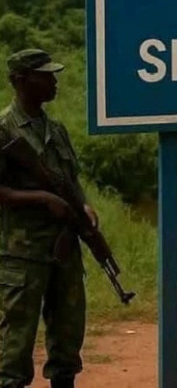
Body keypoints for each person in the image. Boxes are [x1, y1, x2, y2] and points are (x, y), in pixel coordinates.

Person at [0, 49, 99, 388]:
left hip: (65, 246)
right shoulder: (4, 130)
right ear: (20, 80)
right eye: (45, 76)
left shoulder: (55, 130)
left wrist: (83, 205)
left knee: (68, 330)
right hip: (23, 251)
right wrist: (42, 199)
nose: (54, 81)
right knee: (17, 336)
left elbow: (70, 179)